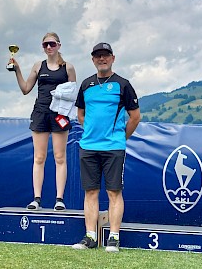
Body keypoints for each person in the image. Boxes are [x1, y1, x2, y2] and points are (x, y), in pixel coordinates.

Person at [72, 42, 140, 252]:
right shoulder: (85, 85)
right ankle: (90, 237)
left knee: (113, 192)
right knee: (90, 192)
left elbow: (135, 117)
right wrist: (92, 132)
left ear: (112, 58)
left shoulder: (123, 84)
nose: (102, 59)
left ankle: (113, 237)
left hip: (113, 148)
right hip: (89, 147)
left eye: (105, 56)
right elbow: (80, 114)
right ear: (93, 60)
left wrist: (120, 138)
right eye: (98, 56)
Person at [8, 32, 76, 211]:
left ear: (59, 45)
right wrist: (17, 70)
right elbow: (25, 89)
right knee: (39, 157)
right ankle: (36, 198)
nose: (49, 47)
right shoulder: (38, 66)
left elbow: (72, 94)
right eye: (45, 45)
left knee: (60, 157)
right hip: (40, 113)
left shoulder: (68, 68)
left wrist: (61, 99)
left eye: (52, 44)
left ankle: (59, 199)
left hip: (59, 115)